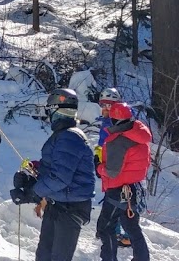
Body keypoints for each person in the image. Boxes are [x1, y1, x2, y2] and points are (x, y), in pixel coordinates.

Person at [29, 88, 96, 261]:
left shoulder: (69, 137)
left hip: (70, 208)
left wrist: (35, 190)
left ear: (56, 111)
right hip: (58, 203)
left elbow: (60, 177)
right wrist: (35, 171)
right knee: (43, 255)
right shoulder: (65, 135)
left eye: (50, 110)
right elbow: (58, 166)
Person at [96, 102, 151, 261]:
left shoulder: (117, 141)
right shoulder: (139, 135)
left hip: (117, 190)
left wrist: (99, 167)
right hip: (135, 188)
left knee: (106, 228)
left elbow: (112, 172)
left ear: (114, 120)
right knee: (132, 228)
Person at [95, 87, 132, 248]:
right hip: (107, 168)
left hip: (118, 169)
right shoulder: (105, 122)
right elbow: (102, 145)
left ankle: (122, 233)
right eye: (102, 104)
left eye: (109, 105)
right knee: (112, 199)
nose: (105, 108)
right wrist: (97, 160)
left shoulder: (119, 124)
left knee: (118, 200)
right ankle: (112, 230)